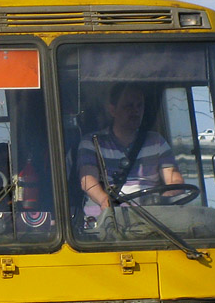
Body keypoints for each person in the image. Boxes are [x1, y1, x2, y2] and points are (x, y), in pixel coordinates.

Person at [77, 83, 183, 214]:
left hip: (152, 217)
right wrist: (105, 201)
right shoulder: (92, 142)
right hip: (107, 218)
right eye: (129, 106)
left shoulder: (157, 142)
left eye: (140, 105)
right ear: (113, 110)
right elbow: (88, 181)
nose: (136, 111)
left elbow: (174, 180)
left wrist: (164, 200)